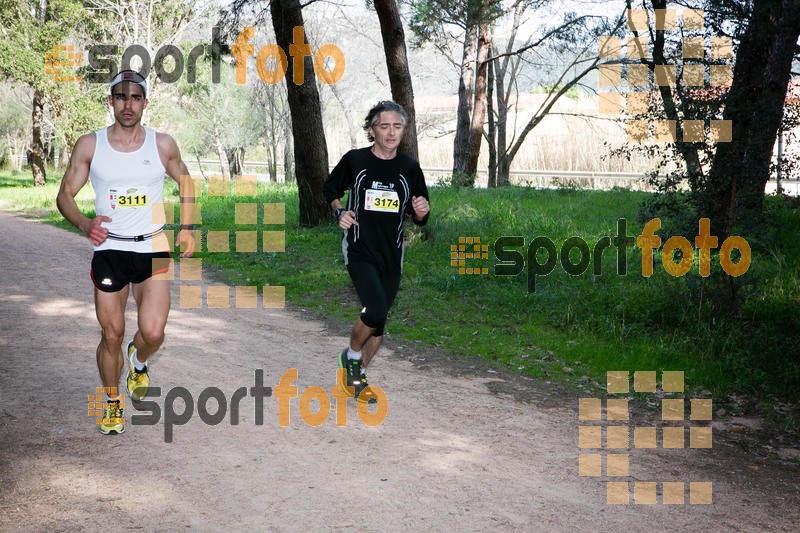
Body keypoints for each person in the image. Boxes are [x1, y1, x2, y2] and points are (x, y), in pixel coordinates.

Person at [57, 70, 196, 435]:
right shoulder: (90, 145)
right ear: (111, 102)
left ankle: (139, 360)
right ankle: (113, 403)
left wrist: (186, 226)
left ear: (145, 102)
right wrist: (86, 224)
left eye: (135, 97)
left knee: (152, 332)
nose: (128, 104)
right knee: (111, 334)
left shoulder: (162, 144)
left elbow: (185, 181)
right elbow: (64, 195)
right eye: (121, 97)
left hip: (152, 245)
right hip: (110, 250)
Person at [323, 101, 430, 403]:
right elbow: (330, 189)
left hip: (392, 255)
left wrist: (422, 211)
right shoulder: (356, 160)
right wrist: (339, 211)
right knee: (376, 309)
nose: (391, 132)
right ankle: (351, 356)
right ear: (372, 130)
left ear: (404, 130)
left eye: (397, 126)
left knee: (378, 323)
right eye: (384, 126)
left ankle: (355, 377)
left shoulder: (410, 168)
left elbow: (420, 214)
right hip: (359, 249)